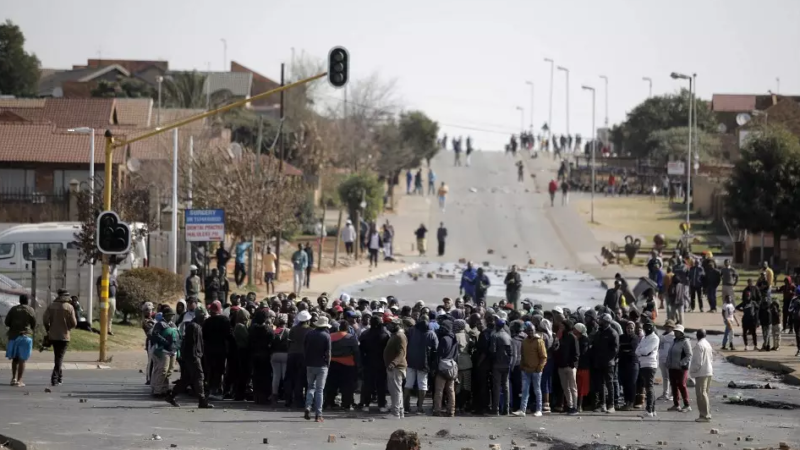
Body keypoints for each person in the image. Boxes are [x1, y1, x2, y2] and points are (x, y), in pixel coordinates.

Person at [167, 309, 213, 409]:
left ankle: (171, 396)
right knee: (199, 376)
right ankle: (202, 401)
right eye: (204, 316)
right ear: (199, 316)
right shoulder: (193, 326)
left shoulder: (197, 326)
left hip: (193, 356)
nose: (205, 318)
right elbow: (191, 344)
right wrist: (195, 357)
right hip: (193, 357)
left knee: (186, 379)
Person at [42, 289, 77, 387]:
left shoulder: (51, 306)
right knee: (59, 357)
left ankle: (60, 377)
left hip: (53, 335)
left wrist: (48, 328)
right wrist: (68, 327)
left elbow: (45, 319)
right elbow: (74, 323)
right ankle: (55, 378)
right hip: (64, 336)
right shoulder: (69, 307)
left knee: (57, 356)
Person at [405, 315, 438, 414]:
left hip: (410, 361)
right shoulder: (432, 334)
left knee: (408, 384)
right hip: (424, 363)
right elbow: (435, 350)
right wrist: (433, 365)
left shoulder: (412, 331)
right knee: (422, 385)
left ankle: (405, 407)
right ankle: (420, 408)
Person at [513, 322, 546, 417]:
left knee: (537, 390)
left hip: (536, 370)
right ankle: (522, 410)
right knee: (524, 390)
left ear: (534, 330)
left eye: (532, 330)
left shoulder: (539, 341)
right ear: (526, 331)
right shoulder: (525, 341)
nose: (530, 332)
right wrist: (522, 366)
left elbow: (543, 357)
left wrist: (539, 368)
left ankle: (539, 410)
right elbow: (522, 355)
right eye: (528, 330)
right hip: (526, 370)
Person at [326, 320, 360, 411]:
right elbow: (356, 352)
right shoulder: (351, 338)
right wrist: (358, 365)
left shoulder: (331, 336)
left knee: (331, 385)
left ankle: (329, 402)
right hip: (348, 364)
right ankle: (346, 404)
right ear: (347, 328)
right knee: (347, 386)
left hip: (332, 363)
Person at [304, 315, 332, 422]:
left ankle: (308, 406)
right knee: (320, 390)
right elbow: (328, 352)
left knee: (310, 387)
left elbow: (305, 347)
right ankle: (318, 414)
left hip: (310, 364)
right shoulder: (326, 336)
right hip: (321, 365)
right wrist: (328, 364)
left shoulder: (309, 334)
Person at [360, 314, 390, 412]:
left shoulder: (365, 334)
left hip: (368, 362)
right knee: (381, 385)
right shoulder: (385, 334)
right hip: (381, 363)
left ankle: (366, 404)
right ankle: (381, 405)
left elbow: (361, 350)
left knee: (368, 384)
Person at [4, 294, 36, 387]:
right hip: (25, 336)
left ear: (19, 300)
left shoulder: (13, 309)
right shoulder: (30, 310)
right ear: (27, 301)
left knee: (15, 358)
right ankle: (19, 380)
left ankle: (13, 378)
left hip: (13, 336)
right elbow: (33, 323)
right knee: (22, 359)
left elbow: (7, 322)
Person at [593, 314, 619, 413]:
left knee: (609, 383)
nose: (599, 322)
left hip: (608, 363)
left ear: (607, 321)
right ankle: (602, 404)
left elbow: (615, 350)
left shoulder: (613, 333)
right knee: (601, 384)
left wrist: (607, 359)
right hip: (599, 362)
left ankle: (611, 405)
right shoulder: (599, 332)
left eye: (601, 320)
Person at [286, 310, 312, 408]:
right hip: (303, 356)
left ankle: (288, 399)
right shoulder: (310, 330)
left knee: (290, 378)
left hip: (292, 355)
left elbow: (288, 342)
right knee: (300, 378)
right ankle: (299, 399)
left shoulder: (293, 329)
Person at [150, 307, 178, 396]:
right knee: (162, 370)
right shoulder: (160, 324)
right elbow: (155, 335)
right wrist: (164, 342)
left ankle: (165, 389)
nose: (171, 317)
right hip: (163, 350)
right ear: (165, 315)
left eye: (172, 315)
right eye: (169, 315)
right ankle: (157, 390)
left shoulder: (173, 324)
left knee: (169, 371)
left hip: (172, 350)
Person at [433, 319, 458, 417]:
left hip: (443, 367)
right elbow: (456, 355)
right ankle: (451, 410)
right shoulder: (454, 338)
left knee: (439, 390)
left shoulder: (444, 339)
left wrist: (435, 367)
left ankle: (437, 410)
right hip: (452, 366)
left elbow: (439, 355)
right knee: (451, 390)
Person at [384, 317, 408, 419]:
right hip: (394, 367)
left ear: (397, 325)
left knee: (396, 391)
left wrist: (393, 363)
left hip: (397, 367)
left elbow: (401, 352)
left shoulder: (400, 336)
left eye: (392, 324)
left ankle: (395, 412)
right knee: (396, 390)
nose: (389, 326)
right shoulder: (395, 335)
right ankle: (399, 411)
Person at [666, 324, 692, 412]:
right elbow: (670, 353)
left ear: (681, 333)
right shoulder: (674, 341)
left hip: (681, 368)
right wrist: (668, 362)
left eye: (677, 332)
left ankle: (687, 405)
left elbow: (689, 355)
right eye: (675, 332)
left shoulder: (685, 341)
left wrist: (681, 363)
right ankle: (676, 404)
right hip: (672, 367)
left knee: (682, 385)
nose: (676, 333)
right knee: (673, 385)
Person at [636, 321, 659, 417]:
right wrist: (641, 352)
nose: (647, 329)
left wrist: (641, 352)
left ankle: (649, 410)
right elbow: (637, 351)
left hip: (650, 364)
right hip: (643, 364)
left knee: (649, 387)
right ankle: (652, 410)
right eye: (645, 327)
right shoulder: (644, 338)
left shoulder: (655, 338)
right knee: (648, 387)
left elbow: (646, 351)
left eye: (649, 327)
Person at [557, 319, 580, 415]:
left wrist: (572, 364)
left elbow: (576, 353)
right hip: (561, 366)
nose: (560, 327)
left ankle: (575, 407)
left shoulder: (572, 337)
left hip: (570, 367)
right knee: (565, 388)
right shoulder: (561, 337)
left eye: (562, 326)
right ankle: (569, 406)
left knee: (572, 387)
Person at [490, 316, 512, 415]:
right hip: (506, 365)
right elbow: (511, 352)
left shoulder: (495, 335)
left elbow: (492, 351)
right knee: (506, 387)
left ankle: (496, 409)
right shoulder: (508, 336)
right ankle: (506, 409)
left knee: (497, 387)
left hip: (497, 365)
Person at [690, 329, 713, 422]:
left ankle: (704, 415)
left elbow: (698, 362)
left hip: (701, 372)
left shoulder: (699, 345)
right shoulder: (707, 344)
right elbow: (711, 359)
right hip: (708, 371)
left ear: (697, 336)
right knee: (705, 393)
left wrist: (692, 371)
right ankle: (705, 414)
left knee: (701, 394)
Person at [618, 321, 640, 411]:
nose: (629, 330)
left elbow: (633, 348)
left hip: (632, 363)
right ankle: (626, 402)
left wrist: (623, 348)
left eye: (631, 328)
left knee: (631, 383)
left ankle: (631, 402)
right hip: (623, 363)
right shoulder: (622, 337)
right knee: (625, 384)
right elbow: (619, 348)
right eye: (628, 328)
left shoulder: (635, 338)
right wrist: (624, 348)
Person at [657, 320, 675, 401]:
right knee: (665, 378)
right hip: (662, 359)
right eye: (666, 327)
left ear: (672, 328)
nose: (667, 328)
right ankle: (665, 393)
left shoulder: (673, 336)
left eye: (669, 327)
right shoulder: (663, 335)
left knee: (671, 378)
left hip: (669, 359)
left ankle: (673, 394)